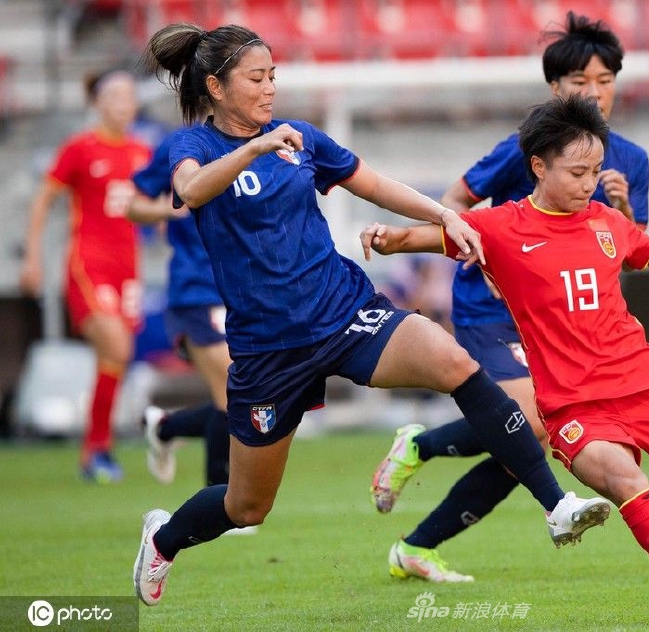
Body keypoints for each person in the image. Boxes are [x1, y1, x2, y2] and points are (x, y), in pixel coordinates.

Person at [132, 23, 610, 606]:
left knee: (454, 361)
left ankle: (556, 506)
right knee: (246, 505)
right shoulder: (194, 148)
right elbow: (194, 190)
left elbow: (373, 182)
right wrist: (252, 149)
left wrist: (447, 217)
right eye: (256, 78)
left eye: (273, 75)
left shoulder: (301, 138)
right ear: (216, 85)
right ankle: (164, 537)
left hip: (342, 312)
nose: (269, 88)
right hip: (268, 349)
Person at [370, 10, 649, 584]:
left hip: (572, 314)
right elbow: (455, 202)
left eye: (604, 82)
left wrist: (628, 212)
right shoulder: (527, 146)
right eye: (580, 84)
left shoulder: (628, 159)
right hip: (493, 303)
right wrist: (470, 249)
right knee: (530, 422)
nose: (594, 93)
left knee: (528, 431)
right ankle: (465, 473)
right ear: (556, 91)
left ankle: (420, 533)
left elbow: (635, 243)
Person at [19, 70, 152, 483]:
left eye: (129, 95)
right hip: (87, 264)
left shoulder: (141, 152)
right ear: (96, 103)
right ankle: (98, 447)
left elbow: (157, 206)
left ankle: (97, 450)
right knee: (117, 345)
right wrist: (32, 258)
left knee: (114, 357)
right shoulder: (79, 148)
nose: (123, 103)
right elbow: (44, 199)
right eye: (114, 95)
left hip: (127, 267)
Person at [127, 126, 235, 501]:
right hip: (197, 288)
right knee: (232, 384)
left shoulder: (259, 141)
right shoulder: (178, 146)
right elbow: (132, 203)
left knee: (249, 390)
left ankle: (166, 427)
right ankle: (220, 500)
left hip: (245, 289)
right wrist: (167, 209)